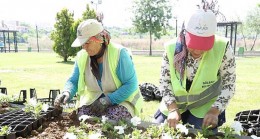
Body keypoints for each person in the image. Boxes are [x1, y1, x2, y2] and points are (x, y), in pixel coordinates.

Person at [154, 8, 236, 132]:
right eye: (194, 45)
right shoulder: (171, 48)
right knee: (159, 131)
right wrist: (172, 109)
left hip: (206, 106)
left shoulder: (223, 47)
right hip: (175, 104)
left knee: (203, 132)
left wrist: (215, 110)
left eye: (203, 46)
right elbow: (164, 82)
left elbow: (229, 85)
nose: (198, 51)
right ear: (185, 35)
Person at [54, 19, 143, 120]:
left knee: (110, 120)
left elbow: (131, 84)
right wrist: (67, 92)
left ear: (99, 40)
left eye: (87, 43)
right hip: (95, 102)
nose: (84, 47)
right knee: (82, 118)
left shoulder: (119, 54)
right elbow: (74, 80)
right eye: (82, 44)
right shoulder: (82, 56)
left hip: (122, 101)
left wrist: (108, 100)